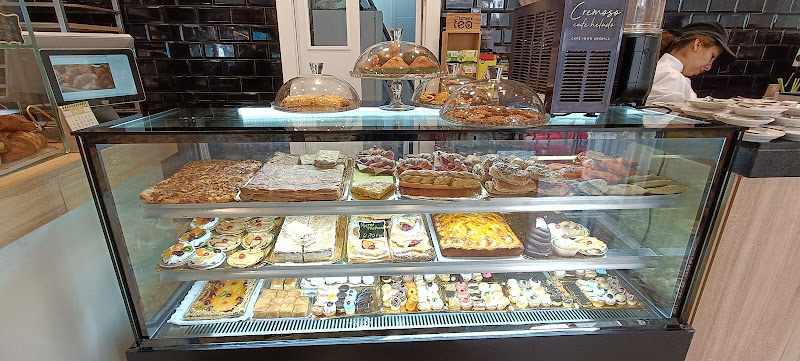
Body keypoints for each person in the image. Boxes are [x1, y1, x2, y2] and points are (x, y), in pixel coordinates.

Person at [646, 22, 735, 104]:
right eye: (712, 56)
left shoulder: (656, 69)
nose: (709, 67)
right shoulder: (672, 78)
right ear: (697, 44)